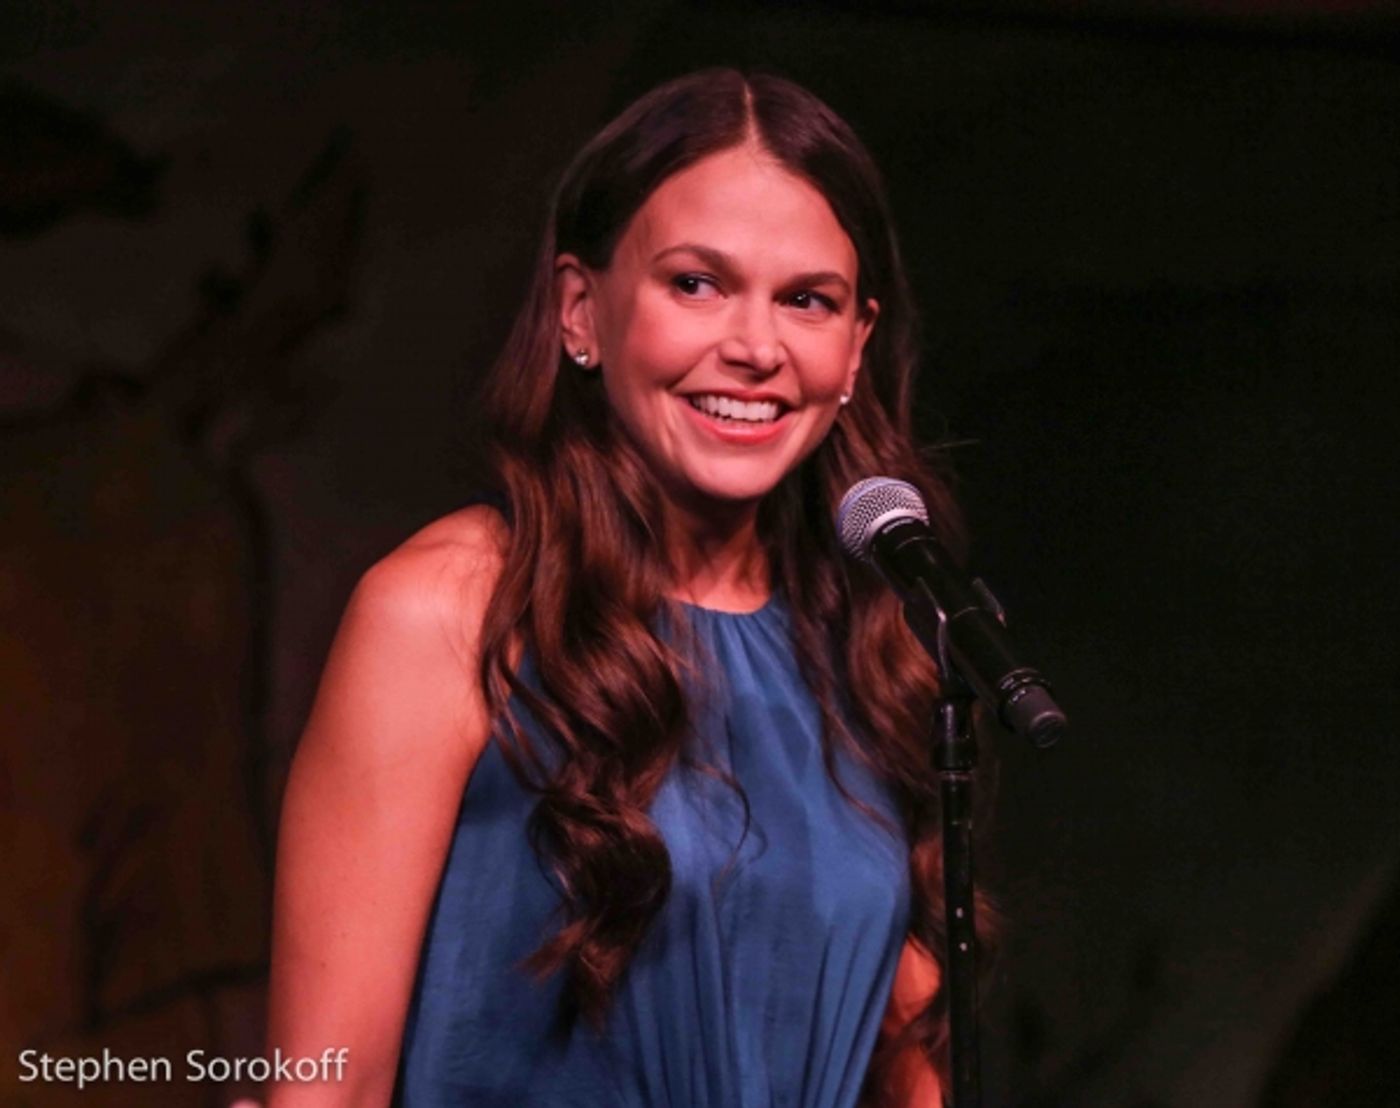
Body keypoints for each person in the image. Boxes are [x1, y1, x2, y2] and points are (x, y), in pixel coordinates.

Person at [266, 67, 991, 1107]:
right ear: (579, 310)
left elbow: (905, 1061)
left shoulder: (870, 636)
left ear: (852, 348)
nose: (753, 347)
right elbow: (323, 1088)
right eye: (694, 283)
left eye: (805, 300)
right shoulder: (449, 610)